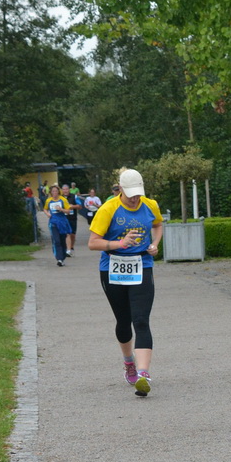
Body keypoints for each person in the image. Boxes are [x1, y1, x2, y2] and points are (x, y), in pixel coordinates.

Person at [87, 168, 164, 396]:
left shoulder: (150, 205)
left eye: (138, 193)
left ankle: (143, 374)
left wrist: (155, 244)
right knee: (123, 321)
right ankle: (129, 361)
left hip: (142, 266)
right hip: (113, 268)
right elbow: (93, 243)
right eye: (130, 193)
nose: (134, 198)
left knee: (141, 320)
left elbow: (158, 225)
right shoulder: (108, 208)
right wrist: (119, 244)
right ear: (120, 189)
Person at [47, 186, 76, 266]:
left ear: (58, 192)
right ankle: (59, 259)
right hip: (53, 223)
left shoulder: (63, 200)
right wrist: (47, 214)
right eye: (53, 191)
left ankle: (62, 257)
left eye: (56, 191)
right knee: (56, 241)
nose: (54, 193)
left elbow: (68, 211)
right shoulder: (48, 200)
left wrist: (61, 209)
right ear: (51, 192)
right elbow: (45, 209)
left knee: (62, 240)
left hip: (62, 223)